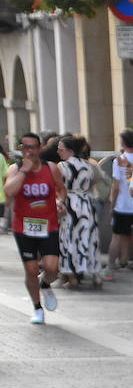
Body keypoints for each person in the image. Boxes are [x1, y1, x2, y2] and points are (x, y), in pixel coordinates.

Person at [6, 132, 63, 323]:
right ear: (21, 150)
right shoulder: (15, 169)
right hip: (24, 228)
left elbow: (61, 189)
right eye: (25, 147)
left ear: (39, 149)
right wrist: (24, 171)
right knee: (31, 270)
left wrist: (60, 201)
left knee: (52, 268)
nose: (29, 151)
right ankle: (37, 308)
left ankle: (45, 284)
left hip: (49, 225)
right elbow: (9, 191)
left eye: (32, 147)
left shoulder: (51, 168)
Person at [56, 135, 100, 288]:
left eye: (60, 149)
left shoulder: (62, 166)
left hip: (70, 203)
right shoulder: (88, 165)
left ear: (68, 150)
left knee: (69, 239)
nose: (58, 151)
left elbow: (58, 185)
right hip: (86, 203)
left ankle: (72, 277)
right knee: (89, 237)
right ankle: (96, 275)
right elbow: (93, 182)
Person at [109, 128, 133, 274]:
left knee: (117, 235)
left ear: (122, 142)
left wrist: (112, 203)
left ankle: (114, 262)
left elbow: (116, 186)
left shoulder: (119, 160)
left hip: (122, 204)